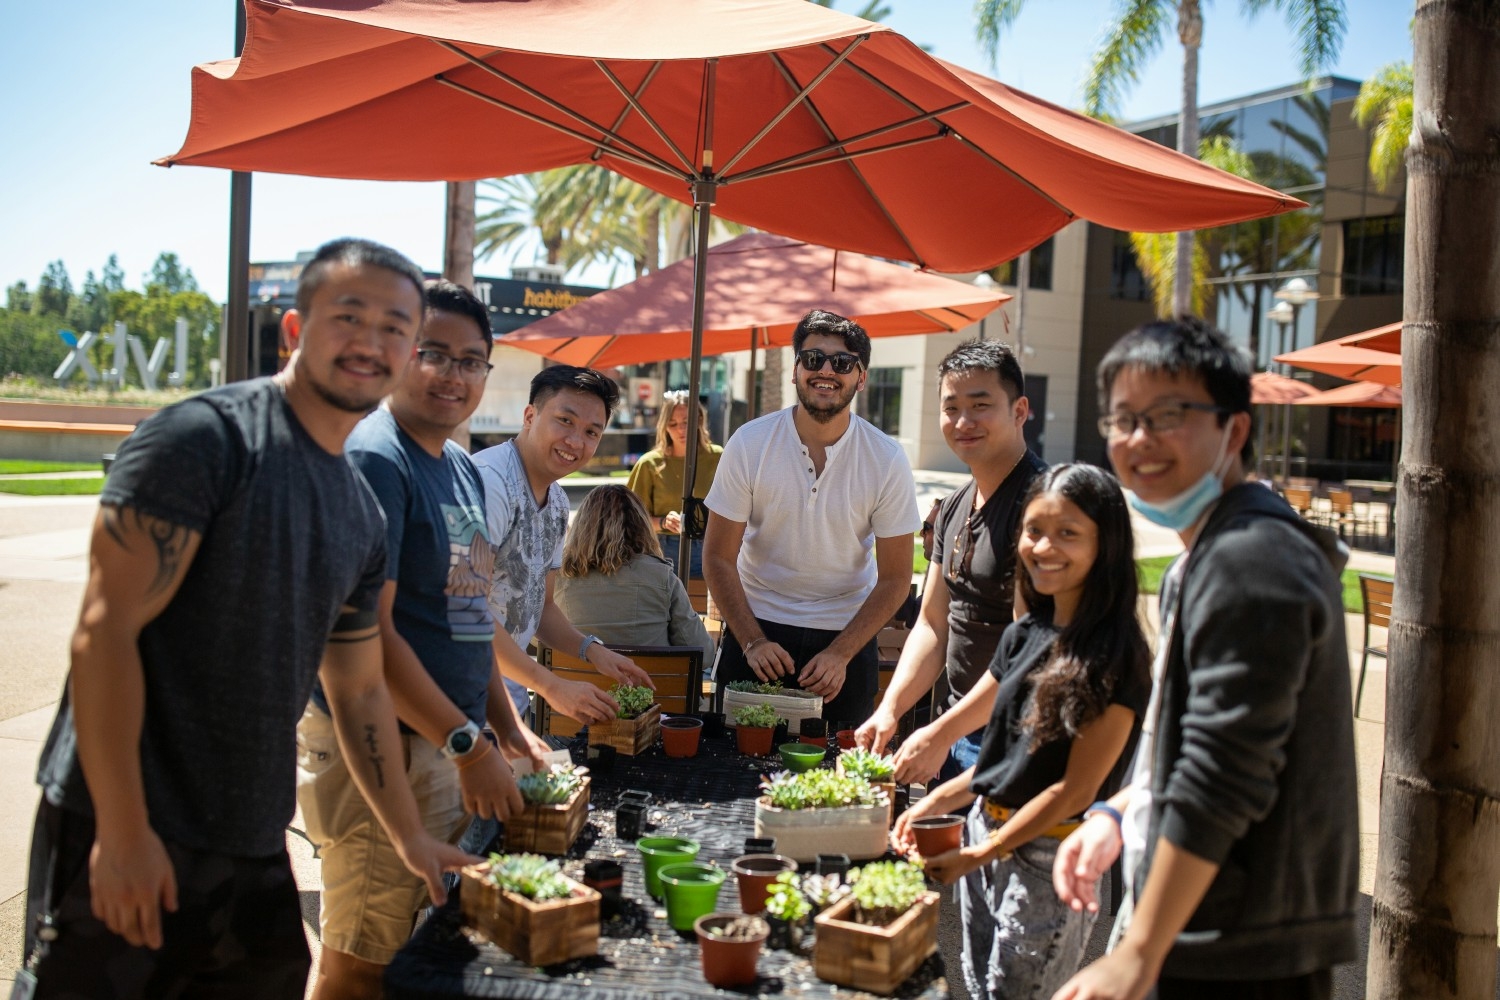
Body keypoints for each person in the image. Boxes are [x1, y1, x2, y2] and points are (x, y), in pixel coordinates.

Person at [21, 238, 472, 998]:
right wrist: (123, 834)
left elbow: (360, 689)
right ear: (294, 331)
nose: (371, 341)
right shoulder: (204, 439)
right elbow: (105, 634)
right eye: (349, 315)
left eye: (395, 327)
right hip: (131, 821)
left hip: (251, 838)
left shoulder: (357, 511)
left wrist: (409, 835)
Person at [1052, 317, 1358, 1000]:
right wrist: (1118, 813)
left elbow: (1225, 773)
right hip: (1211, 929)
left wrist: (1138, 953)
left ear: (1235, 431)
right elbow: (1185, 740)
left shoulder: (1251, 559)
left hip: (1239, 949)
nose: (1138, 440)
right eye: (1123, 418)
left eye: (1167, 416)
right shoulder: (1210, 552)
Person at [300, 281, 548, 1000]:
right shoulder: (378, 459)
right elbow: (365, 643)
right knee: (362, 959)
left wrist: (509, 732)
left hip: (446, 745)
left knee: (415, 945)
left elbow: (469, 618)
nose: (454, 375)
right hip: (388, 748)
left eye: (473, 361)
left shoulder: (462, 468)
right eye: (433, 353)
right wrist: (466, 746)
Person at [891, 464, 1149, 999]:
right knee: (981, 986)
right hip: (986, 831)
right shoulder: (1025, 633)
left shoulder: (1114, 654)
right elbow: (1003, 759)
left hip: (1046, 861)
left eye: (1068, 533)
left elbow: (1074, 791)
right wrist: (933, 801)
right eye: (1034, 530)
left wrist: (976, 855)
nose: (1044, 546)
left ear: (1107, 545)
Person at [703, 309, 921, 723]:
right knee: (733, 771)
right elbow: (716, 557)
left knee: (838, 782)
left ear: (862, 377)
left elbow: (895, 578)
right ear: (795, 370)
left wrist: (841, 652)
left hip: (847, 639)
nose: (826, 370)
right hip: (755, 628)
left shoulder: (887, 458)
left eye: (842, 362)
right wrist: (752, 642)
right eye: (812, 358)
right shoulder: (749, 443)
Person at [854, 339, 1047, 783]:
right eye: (951, 407)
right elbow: (933, 624)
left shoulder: (1042, 505)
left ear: (1019, 411)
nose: (963, 421)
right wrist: (891, 709)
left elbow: (1028, 647)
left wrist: (939, 734)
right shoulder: (955, 505)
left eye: (980, 405)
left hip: (1017, 739)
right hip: (955, 728)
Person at [470, 365, 654, 727]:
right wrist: (551, 685)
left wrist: (594, 652)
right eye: (564, 421)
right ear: (529, 415)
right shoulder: (490, 483)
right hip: (453, 695)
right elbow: (465, 608)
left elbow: (542, 607)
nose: (575, 441)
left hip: (507, 697)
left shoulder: (556, 501)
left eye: (591, 432)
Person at [554, 484, 715, 662]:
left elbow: (538, 638)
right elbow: (704, 654)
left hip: (574, 687)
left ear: (581, 526)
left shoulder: (558, 576)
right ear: (642, 524)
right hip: (649, 687)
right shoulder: (661, 577)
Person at [627, 389, 723, 577]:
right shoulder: (649, 464)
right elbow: (631, 519)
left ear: (699, 420)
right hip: (662, 550)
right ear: (664, 427)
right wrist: (663, 522)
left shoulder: (718, 457)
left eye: (687, 422)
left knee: (703, 606)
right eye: (673, 424)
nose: (680, 430)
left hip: (709, 546)